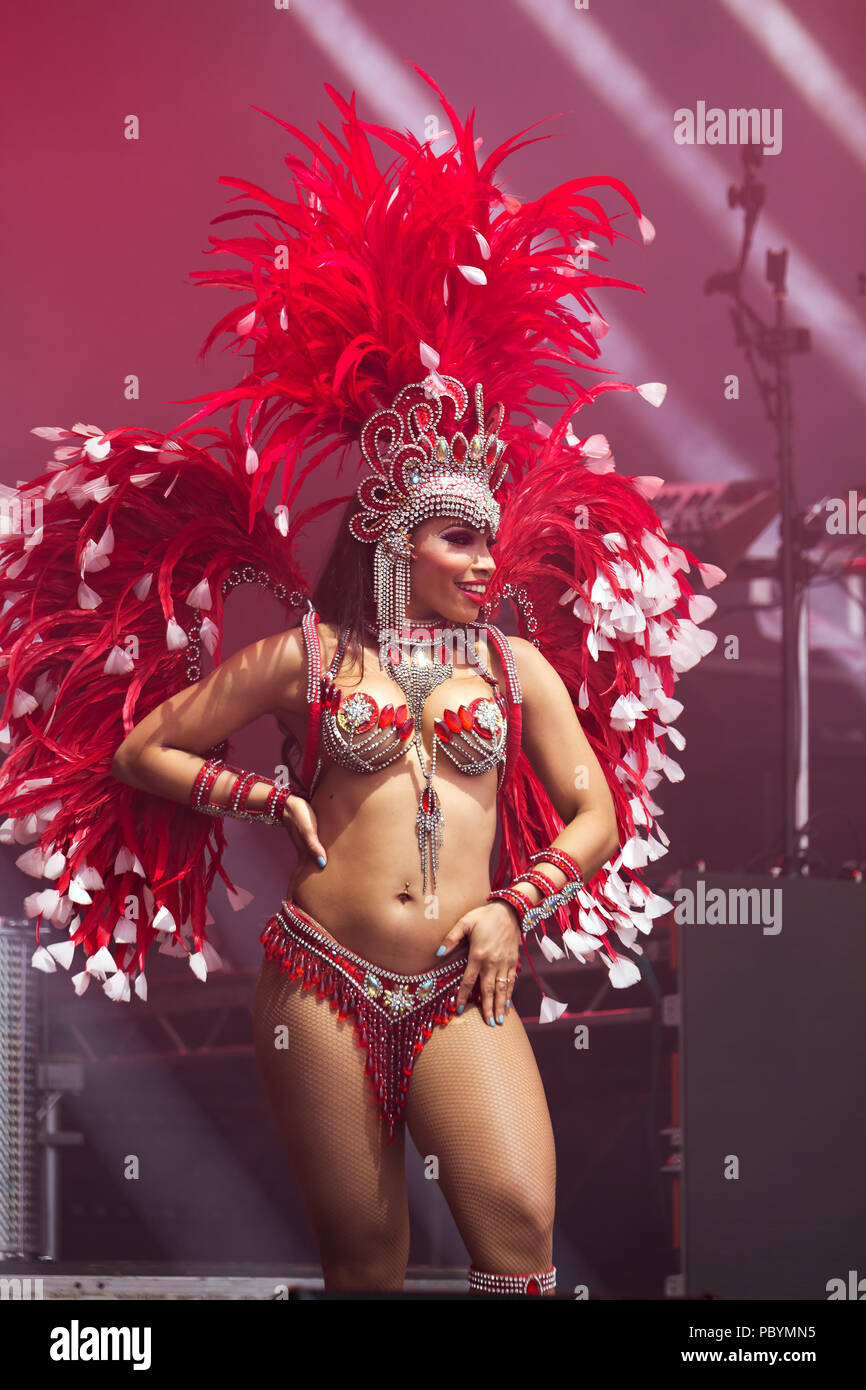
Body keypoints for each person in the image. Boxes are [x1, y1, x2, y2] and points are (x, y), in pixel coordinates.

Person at [0, 66, 722, 1297]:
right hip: (320, 979)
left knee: (515, 1233)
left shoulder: (518, 665)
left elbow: (595, 810)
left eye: (488, 538)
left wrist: (518, 903)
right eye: (456, 537)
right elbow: (141, 750)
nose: (484, 560)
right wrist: (256, 798)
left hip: (463, 976)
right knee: (362, 1262)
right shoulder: (306, 658)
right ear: (395, 540)